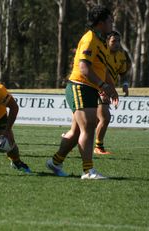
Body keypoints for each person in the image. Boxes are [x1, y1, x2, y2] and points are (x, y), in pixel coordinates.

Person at [46, 5, 118, 179]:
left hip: (89, 88)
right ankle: (88, 171)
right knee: (89, 127)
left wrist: (111, 87)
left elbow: (103, 69)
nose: (112, 23)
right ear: (101, 23)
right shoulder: (90, 39)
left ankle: (55, 162)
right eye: (109, 20)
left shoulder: (101, 41)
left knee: (77, 132)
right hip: (80, 86)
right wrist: (102, 84)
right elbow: (84, 68)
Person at [94, 31, 131, 155]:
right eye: (113, 41)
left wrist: (125, 85)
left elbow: (123, 73)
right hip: (98, 87)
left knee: (93, 121)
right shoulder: (102, 53)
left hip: (109, 89)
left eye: (118, 41)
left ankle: (69, 137)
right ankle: (98, 147)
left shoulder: (121, 55)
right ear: (107, 42)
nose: (116, 44)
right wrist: (103, 87)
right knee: (105, 118)